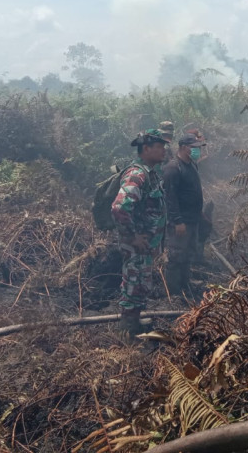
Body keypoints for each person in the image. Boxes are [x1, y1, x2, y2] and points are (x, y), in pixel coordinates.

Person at [111, 129, 168, 339]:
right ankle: (127, 329)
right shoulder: (137, 175)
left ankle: (134, 319)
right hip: (136, 244)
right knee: (133, 282)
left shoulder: (151, 174)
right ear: (146, 149)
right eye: (159, 147)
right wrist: (132, 236)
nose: (163, 151)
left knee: (141, 282)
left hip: (145, 244)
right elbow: (119, 207)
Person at [162, 133, 206, 296]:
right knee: (176, 255)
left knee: (188, 253)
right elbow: (170, 198)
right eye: (193, 147)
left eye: (198, 148)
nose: (197, 151)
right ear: (183, 147)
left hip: (193, 219)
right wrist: (178, 221)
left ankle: (185, 283)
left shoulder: (192, 165)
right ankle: (173, 292)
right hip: (181, 222)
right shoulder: (173, 168)